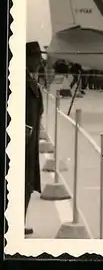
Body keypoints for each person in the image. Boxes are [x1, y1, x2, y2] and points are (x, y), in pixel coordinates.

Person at [25, 41, 44, 236]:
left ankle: (17, 222)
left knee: (27, 183)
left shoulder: (29, 78)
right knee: (23, 183)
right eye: (37, 58)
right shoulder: (23, 81)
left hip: (29, 143)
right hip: (24, 144)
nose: (39, 62)